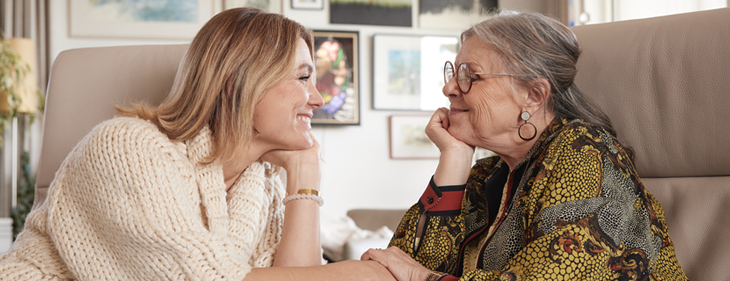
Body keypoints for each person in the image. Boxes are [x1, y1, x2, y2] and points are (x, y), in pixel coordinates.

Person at [0, 8, 394, 281]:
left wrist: (305, 173)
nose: (318, 99)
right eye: (303, 78)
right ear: (238, 82)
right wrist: (370, 273)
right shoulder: (124, 148)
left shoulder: (263, 185)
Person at [362, 11, 688, 281]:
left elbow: (555, 274)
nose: (449, 87)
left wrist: (422, 278)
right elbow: (398, 263)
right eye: (453, 72)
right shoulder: (485, 174)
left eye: (469, 75)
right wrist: (454, 158)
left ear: (532, 95)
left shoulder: (587, 151)